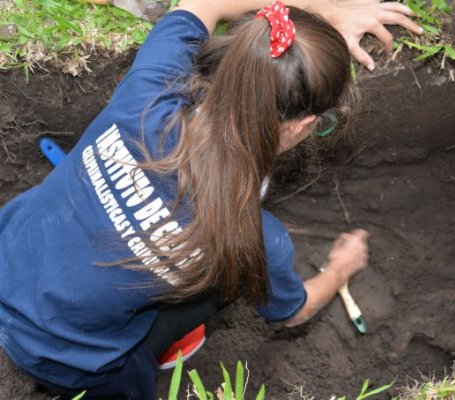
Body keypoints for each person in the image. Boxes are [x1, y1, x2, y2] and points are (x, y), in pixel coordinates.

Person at [0, 1, 420, 399]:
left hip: (11, 260)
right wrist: (341, 268)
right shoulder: (253, 238)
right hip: (67, 357)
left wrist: (320, 10)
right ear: (302, 126)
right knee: (179, 324)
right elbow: (293, 311)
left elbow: (204, 3)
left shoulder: (149, 90)